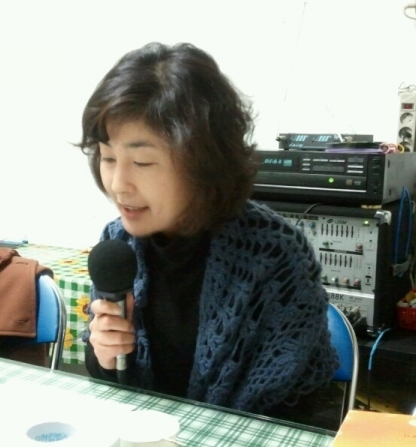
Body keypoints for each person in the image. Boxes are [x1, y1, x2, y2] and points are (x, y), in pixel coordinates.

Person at [78, 42, 339, 425]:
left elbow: (294, 405)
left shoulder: (274, 255)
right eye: (108, 157)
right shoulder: (118, 244)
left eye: (142, 161)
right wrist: (103, 353)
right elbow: (112, 380)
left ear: (203, 162)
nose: (118, 184)